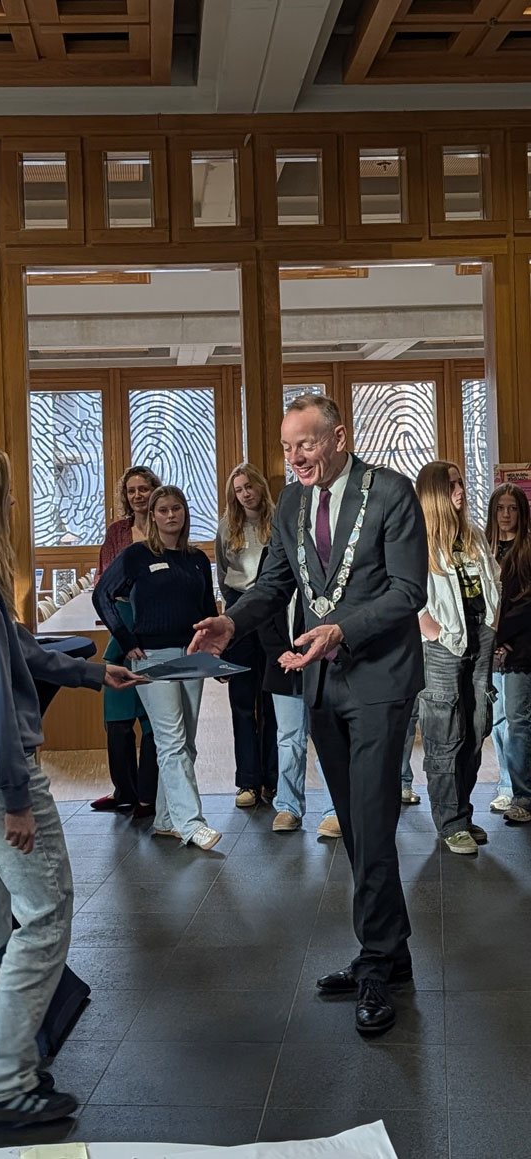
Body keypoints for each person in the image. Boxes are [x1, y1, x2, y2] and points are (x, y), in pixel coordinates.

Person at [0, 444, 143, 1127]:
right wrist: (17, 797)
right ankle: (4, 1077)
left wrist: (91, 674)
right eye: (5, 493)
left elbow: (18, 653)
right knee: (45, 914)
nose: (15, 503)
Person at [190, 393, 427, 1037]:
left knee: (371, 821)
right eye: (287, 447)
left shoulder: (391, 493)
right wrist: (231, 622)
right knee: (356, 824)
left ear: (339, 438)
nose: (294, 457)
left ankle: (375, 962)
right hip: (320, 681)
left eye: (307, 444)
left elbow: (409, 591)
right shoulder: (293, 502)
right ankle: (392, 952)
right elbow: (273, 584)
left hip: (378, 680)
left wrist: (342, 631)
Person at [94, 485, 223, 851]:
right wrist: (125, 639)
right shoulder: (136, 555)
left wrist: (214, 656)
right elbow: (102, 595)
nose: (170, 515)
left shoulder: (197, 559)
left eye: (176, 508)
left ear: (185, 513)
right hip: (152, 657)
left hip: (192, 656)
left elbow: (207, 610)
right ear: (152, 516)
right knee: (170, 740)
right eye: (163, 510)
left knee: (187, 743)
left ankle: (167, 819)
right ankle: (191, 824)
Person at [415, 461, 500, 855]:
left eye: (461, 482)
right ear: (435, 492)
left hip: (480, 636)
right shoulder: (417, 540)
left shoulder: (473, 534)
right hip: (442, 645)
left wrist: (493, 623)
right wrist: (433, 631)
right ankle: (450, 823)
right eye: (452, 485)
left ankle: (462, 815)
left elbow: (493, 579)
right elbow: (407, 594)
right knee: (445, 733)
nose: (461, 490)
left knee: (477, 726)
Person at [91, 466, 161, 817]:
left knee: (152, 719)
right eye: (131, 490)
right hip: (120, 625)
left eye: (143, 488)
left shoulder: (165, 527)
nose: (137, 495)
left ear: (154, 490)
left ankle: (148, 795)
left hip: (155, 626)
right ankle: (124, 791)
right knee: (117, 720)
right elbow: (103, 583)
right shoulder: (117, 532)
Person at [216, 463, 279, 808]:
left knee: (271, 700)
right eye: (238, 490)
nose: (245, 494)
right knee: (242, 702)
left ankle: (272, 779)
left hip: (271, 610)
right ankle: (247, 782)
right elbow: (223, 574)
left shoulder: (277, 520)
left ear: (259, 487)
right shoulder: (227, 526)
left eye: (249, 486)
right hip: (239, 610)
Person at [258, 592, 341, 837]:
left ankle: (335, 809)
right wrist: (279, 652)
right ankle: (288, 807)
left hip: (325, 666)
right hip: (283, 668)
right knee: (288, 740)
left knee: (328, 740)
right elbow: (263, 614)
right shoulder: (273, 572)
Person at [489, 485, 531, 824]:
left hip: (520, 649)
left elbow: (526, 605)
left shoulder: (528, 550)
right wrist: (492, 642)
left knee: (518, 721)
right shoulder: (483, 549)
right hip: (491, 649)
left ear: (521, 512)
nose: (506, 514)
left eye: (512, 508)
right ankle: (506, 784)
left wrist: (503, 640)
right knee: (497, 721)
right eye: (501, 508)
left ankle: (523, 795)